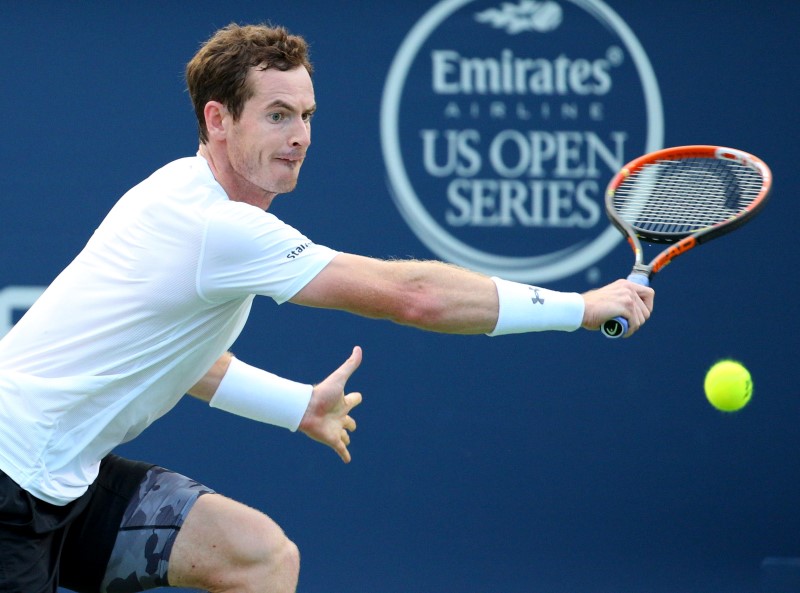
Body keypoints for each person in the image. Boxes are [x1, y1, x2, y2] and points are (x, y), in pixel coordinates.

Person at [0, 22, 654, 593]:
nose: (300, 136)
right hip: (9, 482)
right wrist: (583, 306)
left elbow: (182, 360)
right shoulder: (216, 227)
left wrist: (298, 405)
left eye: (307, 115)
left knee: (259, 558)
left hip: (65, 479)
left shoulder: (179, 194)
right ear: (218, 120)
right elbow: (414, 296)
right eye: (277, 115)